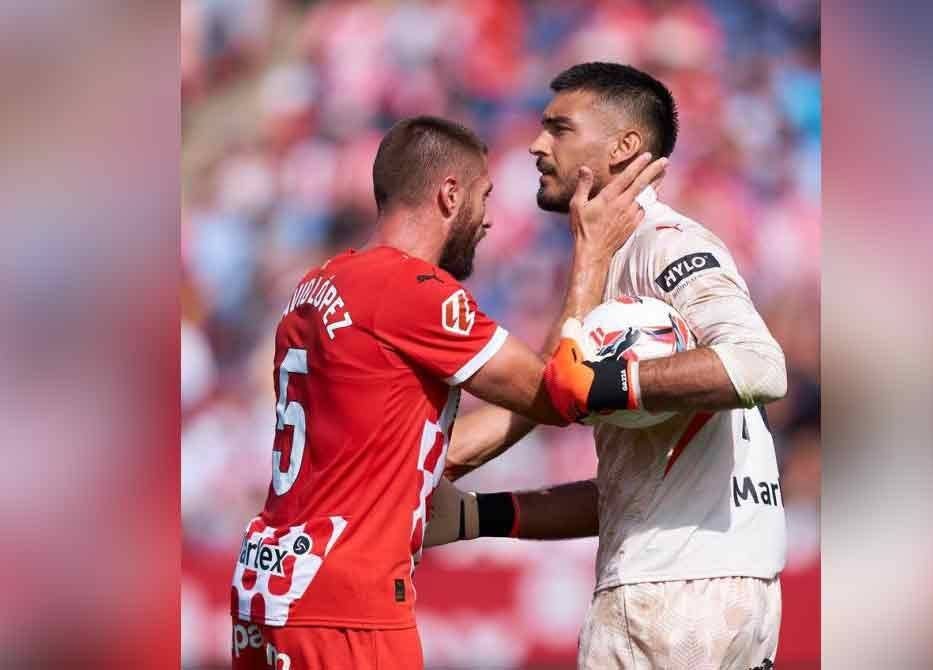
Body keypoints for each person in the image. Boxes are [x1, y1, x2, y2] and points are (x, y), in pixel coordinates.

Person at [229, 115, 665, 670]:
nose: (489, 219)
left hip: (269, 585)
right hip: (347, 605)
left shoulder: (317, 286)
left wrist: (528, 398)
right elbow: (558, 390)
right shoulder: (412, 291)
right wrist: (592, 252)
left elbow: (419, 452)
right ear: (450, 195)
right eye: (485, 197)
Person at [429, 63, 788, 670]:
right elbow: (629, 495)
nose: (536, 145)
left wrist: (609, 382)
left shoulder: (665, 245)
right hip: (713, 587)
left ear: (624, 146)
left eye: (559, 128)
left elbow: (759, 366)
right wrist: (474, 515)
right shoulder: (612, 258)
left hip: (666, 603)